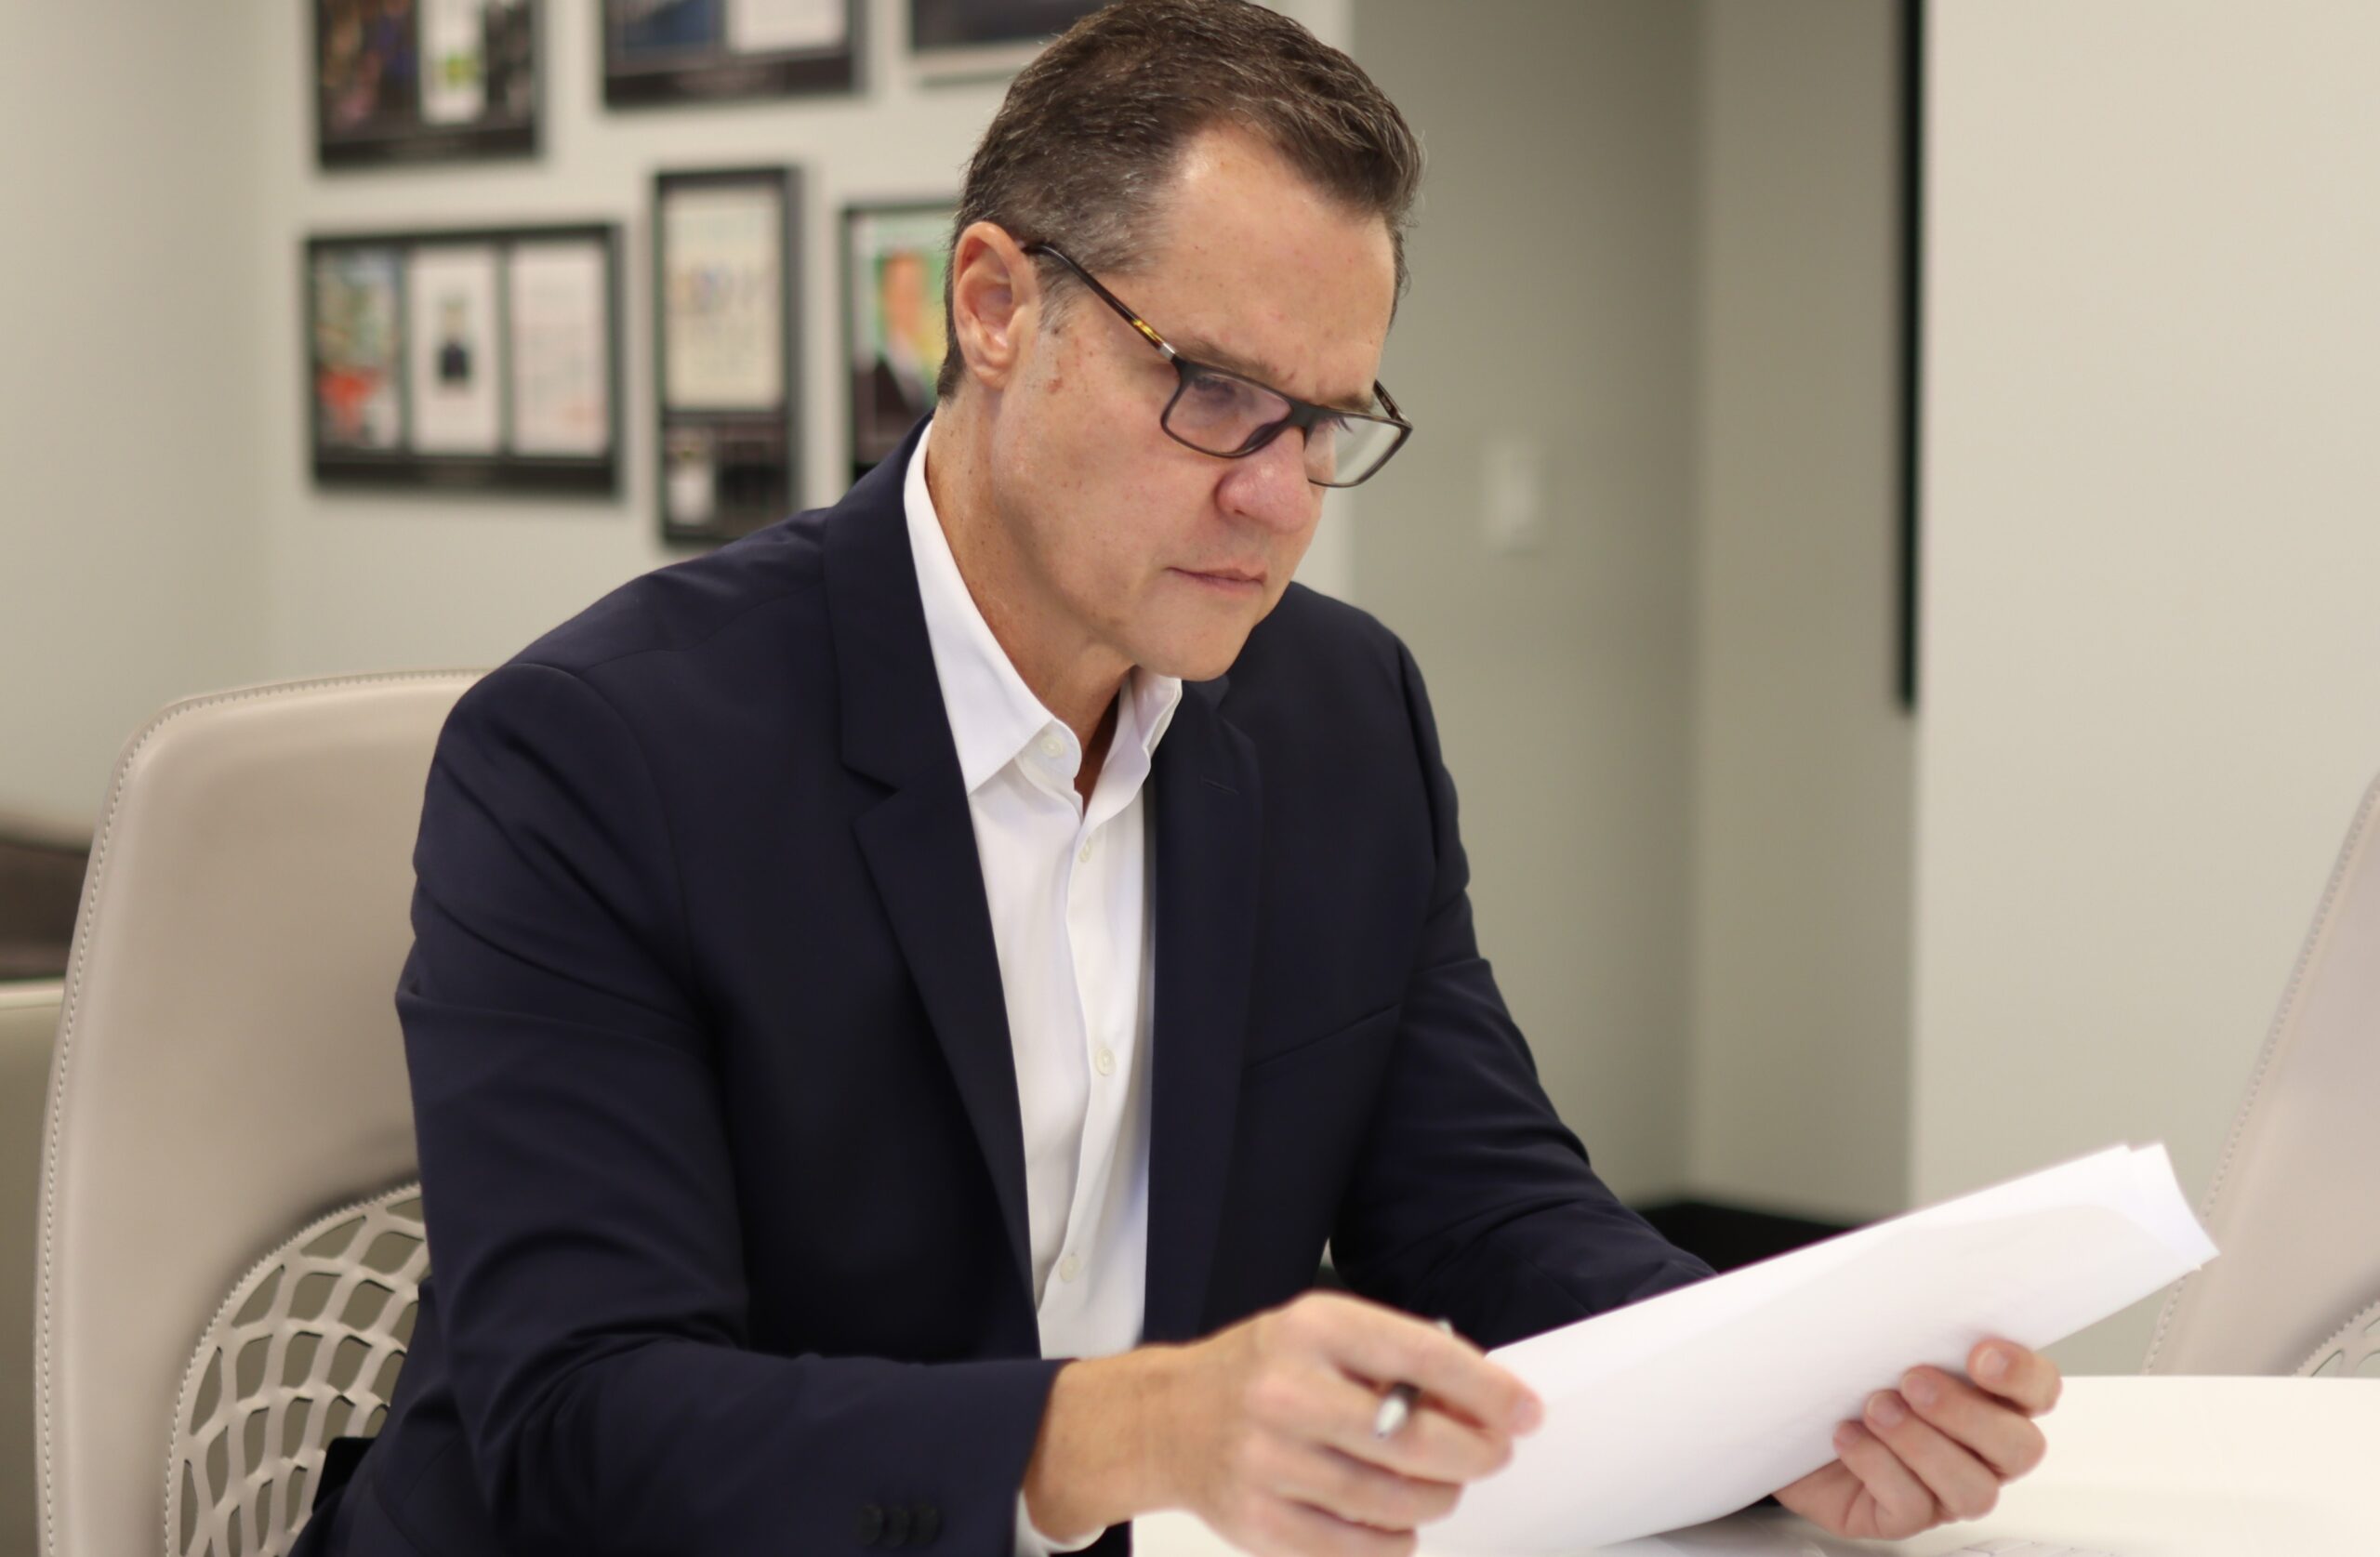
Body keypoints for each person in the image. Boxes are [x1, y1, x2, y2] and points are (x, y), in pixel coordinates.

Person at [291, 4, 2060, 1555]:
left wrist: (1784, 1403)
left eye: (1327, 421)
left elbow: (1484, 1209)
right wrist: (1133, 1431)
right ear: (998, 306)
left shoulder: (1340, 713)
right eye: (1214, 392)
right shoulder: (601, 754)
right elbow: (585, 1423)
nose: (1279, 500)